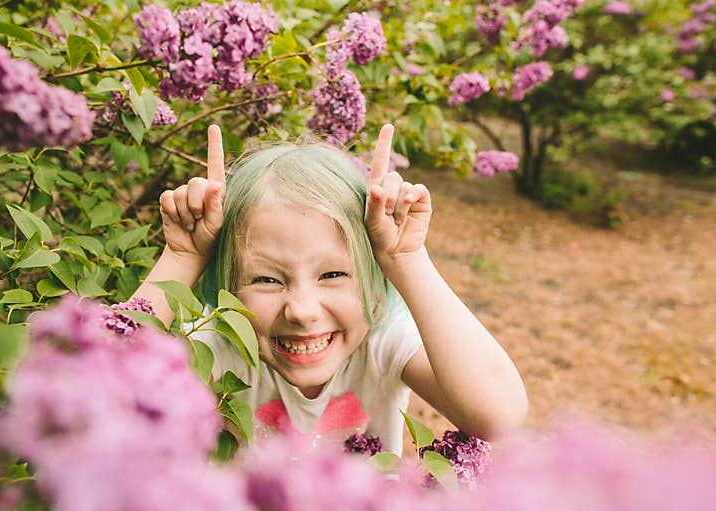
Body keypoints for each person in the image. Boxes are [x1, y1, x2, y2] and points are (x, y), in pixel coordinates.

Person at [129, 124, 528, 455]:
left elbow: (499, 415)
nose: (302, 310)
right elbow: (93, 396)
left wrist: (406, 259)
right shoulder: (219, 344)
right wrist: (182, 258)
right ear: (227, 284)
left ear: (375, 282)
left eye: (333, 274)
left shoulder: (382, 343)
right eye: (267, 279)